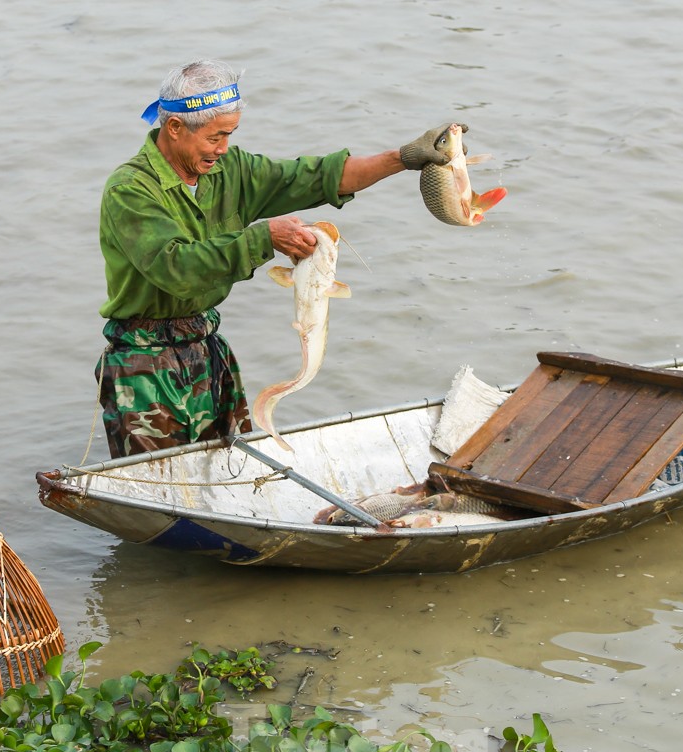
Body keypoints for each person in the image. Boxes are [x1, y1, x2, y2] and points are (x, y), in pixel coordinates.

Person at [95, 58, 462, 458]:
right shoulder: (129, 190)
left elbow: (319, 177)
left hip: (205, 348)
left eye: (230, 135)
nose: (223, 149)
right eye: (215, 137)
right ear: (175, 128)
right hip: (142, 363)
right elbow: (177, 269)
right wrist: (263, 237)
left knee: (229, 470)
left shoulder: (230, 168)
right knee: (157, 481)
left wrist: (404, 158)